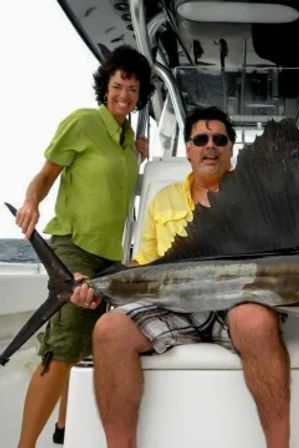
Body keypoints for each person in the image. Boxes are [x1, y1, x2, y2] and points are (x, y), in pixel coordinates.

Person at [70, 106, 299, 448]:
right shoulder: (163, 200)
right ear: (187, 148)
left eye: (220, 139)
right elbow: (145, 263)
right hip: (174, 307)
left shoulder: (262, 194)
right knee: (108, 329)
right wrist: (97, 284)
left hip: (239, 303)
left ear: (232, 148)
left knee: (254, 320)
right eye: (200, 139)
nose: (210, 146)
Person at [14, 45, 154, 448]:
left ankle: (63, 432)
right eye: (117, 86)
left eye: (132, 89)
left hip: (110, 258)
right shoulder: (82, 122)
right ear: (105, 86)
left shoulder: (129, 140)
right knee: (61, 348)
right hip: (73, 247)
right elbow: (45, 176)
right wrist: (30, 203)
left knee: (84, 349)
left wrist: (138, 155)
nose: (124, 95)